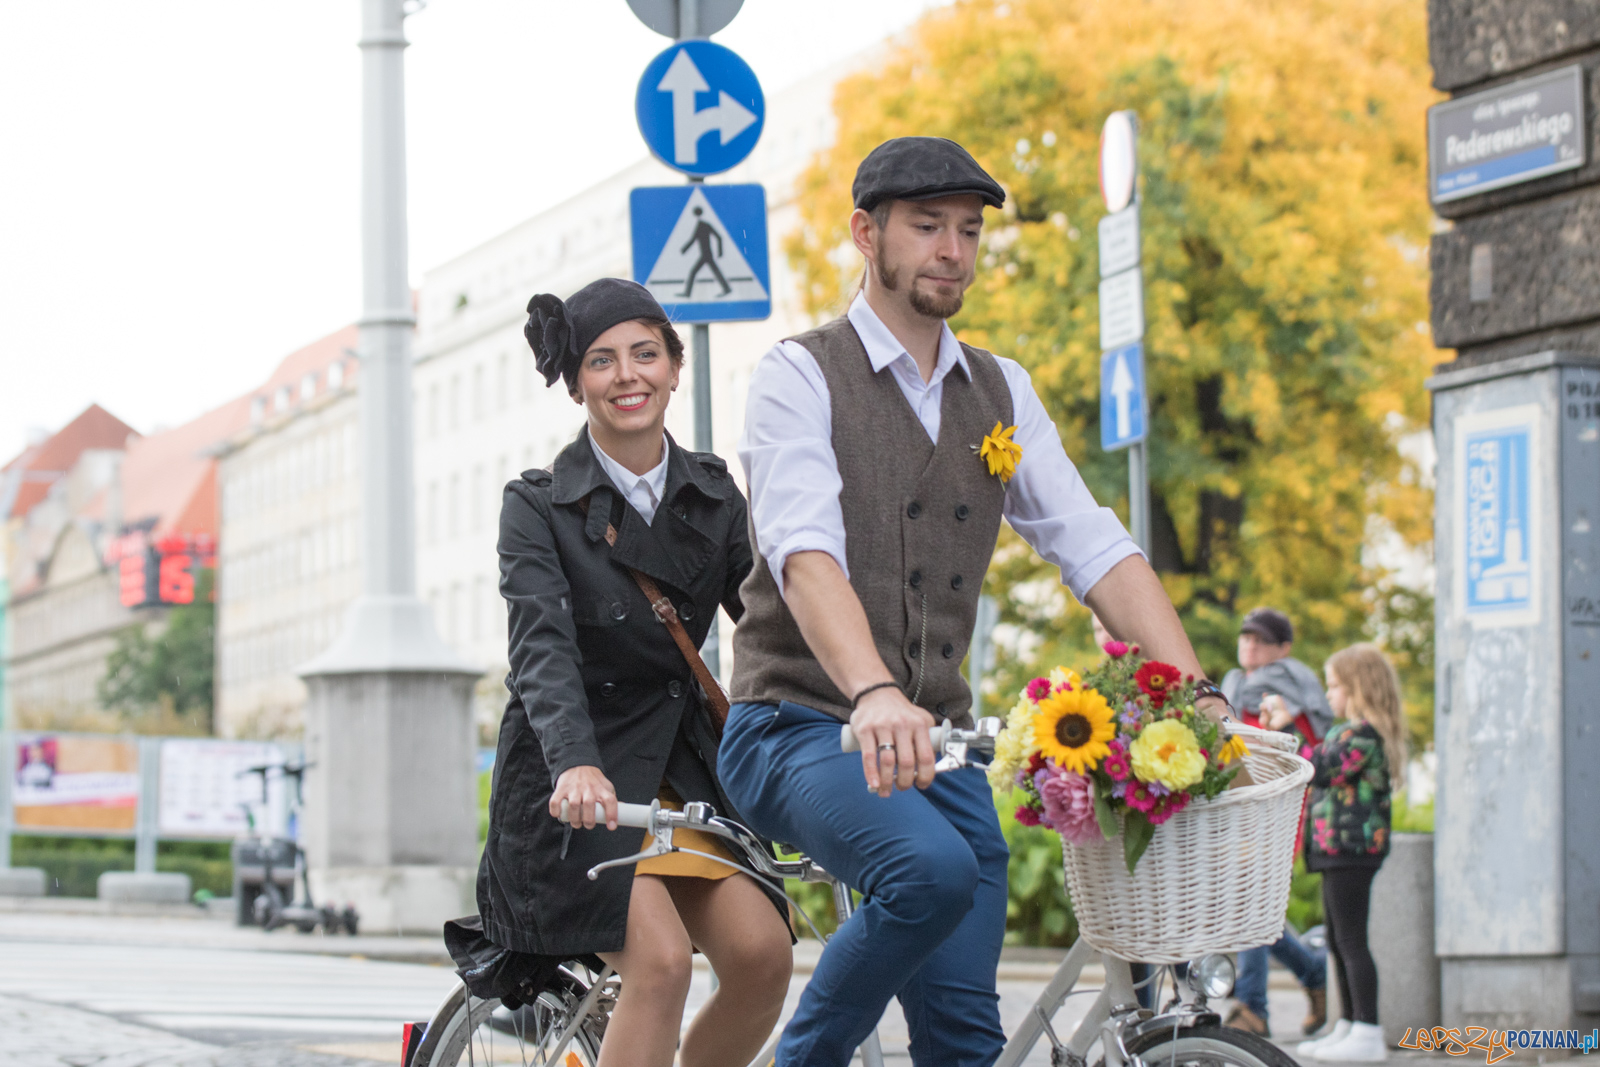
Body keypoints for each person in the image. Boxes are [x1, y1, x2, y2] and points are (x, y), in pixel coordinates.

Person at [719, 136, 1234, 1066]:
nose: (952, 250)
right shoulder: (799, 374)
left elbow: (1094, 544)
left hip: (937, 744)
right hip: (794, 725)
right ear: (866, 234)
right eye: (928, 227)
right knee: (931, 869)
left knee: (966, 1040)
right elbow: (805, 556)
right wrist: (875, 691)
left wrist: (1198, 693)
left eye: (968, 230)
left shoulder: (1001, 389)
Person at [457, 278, 793, 1067]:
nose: (627, 375)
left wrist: (852, 704)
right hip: (575, 780)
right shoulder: (538, 505)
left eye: (646, 353)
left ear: (675, 366)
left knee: (763, 955)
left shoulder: (713, 493)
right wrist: (575, 762)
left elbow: (774, 621)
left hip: (682, 767)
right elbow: (541, 649)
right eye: (601, 360)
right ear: (576, 384)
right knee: (662, 963)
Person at [1219, 608, 1331, 1037]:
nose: (1250, 645)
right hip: (1236, 806)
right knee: (1247, 903)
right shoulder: (1230, 687)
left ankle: (1253, 1006)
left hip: (1275, 810)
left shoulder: (1291, 690)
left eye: (1262, 640)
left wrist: (1281, 725)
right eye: (1246, 636)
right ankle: (1313, 972)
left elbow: (1308, 755)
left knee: (1248, 899)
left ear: (1284, 648)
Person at [1298, 644, 1406, 1064]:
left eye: (1335, 686)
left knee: (1350, 940)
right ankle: (1348, 1023)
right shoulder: (1350, 732)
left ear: (1360, 688)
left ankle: (1368, 1029)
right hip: (1336, 849)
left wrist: (1287, 730)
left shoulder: (1362, 734)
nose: (1329, 694)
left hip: (1352, 849)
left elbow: (1320, 767)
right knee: (1338, 941)